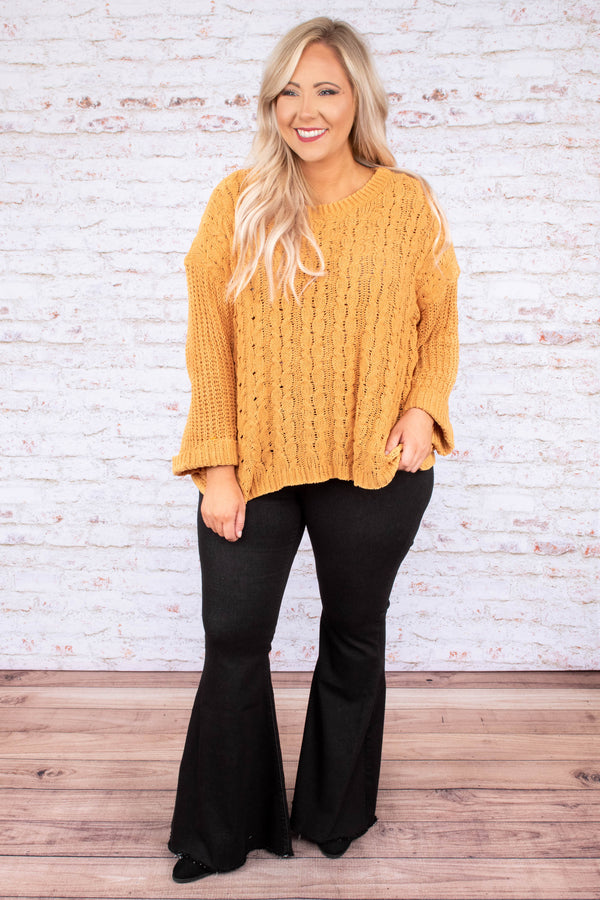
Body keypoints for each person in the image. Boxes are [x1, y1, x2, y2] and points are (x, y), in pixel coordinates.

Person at [168, 16, 459, 884]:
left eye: (326, 89)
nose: (307, 109)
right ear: (271, 105)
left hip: (376, 460)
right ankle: (220, 833)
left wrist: (424, 408)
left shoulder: (405, 203)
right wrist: (217, 467)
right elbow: (208, 343)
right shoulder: (238, 201)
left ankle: (334, 814)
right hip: (255, 463)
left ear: (357, 98)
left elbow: (440, 324)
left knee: (354, 633)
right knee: (233, 635)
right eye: (289, 91)